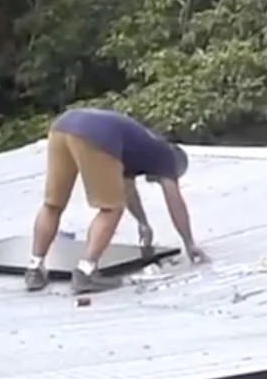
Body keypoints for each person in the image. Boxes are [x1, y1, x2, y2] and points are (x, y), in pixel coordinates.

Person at [27, 107, 206, 294]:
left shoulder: (140, 150)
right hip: (97, 136)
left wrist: (143, 223)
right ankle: (86, 272)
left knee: (53, 204)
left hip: (62, 127)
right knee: (111, 208)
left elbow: (127, 189)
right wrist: (190, 244)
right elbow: (175, 201)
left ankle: (34, 268)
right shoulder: (166, 156)